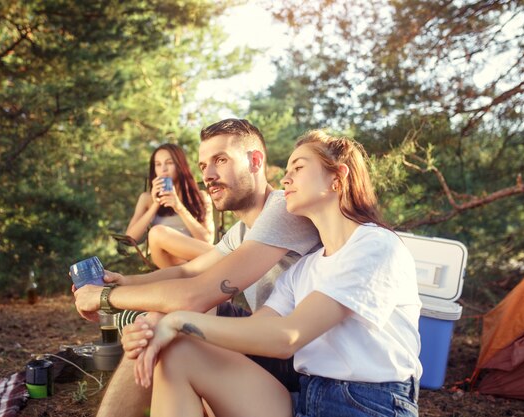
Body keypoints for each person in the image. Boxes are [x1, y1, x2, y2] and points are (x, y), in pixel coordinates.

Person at [130, 130, 422, 417]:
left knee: (178, 334)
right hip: (305, 399)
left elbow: (288, 337)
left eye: (298, 167)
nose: (285, 179)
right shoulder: (304, 269)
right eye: (286, 170)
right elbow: (257, 328)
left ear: (338, 177)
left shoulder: (375, 245)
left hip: (369, 403)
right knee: (179, 355)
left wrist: (179, 321)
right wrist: (161, 326)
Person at [73, 119, 321, 417]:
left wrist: (104, 299)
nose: (209, 175)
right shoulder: (242, 231)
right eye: (203, 165)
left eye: (220, 160)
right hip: (268, 343)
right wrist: (122, 281)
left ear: (255, 161)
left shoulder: (284, 208)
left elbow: (194, 294)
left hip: (301, 361)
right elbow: (187, 271)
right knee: (157, 323)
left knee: (172, 318)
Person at [124, 143, 215, 268]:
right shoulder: (146, 199)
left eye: (169, 163)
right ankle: (227, 257)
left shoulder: (201, 197)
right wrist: (155, 204)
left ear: (180, 165)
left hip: (193, 260)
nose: (163, 169)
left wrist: (179, 207)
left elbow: (207, 240)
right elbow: (130, 238)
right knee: (156, 232)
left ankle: (187, 274)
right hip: (164, 259)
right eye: (158, 164)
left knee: (160, 235)